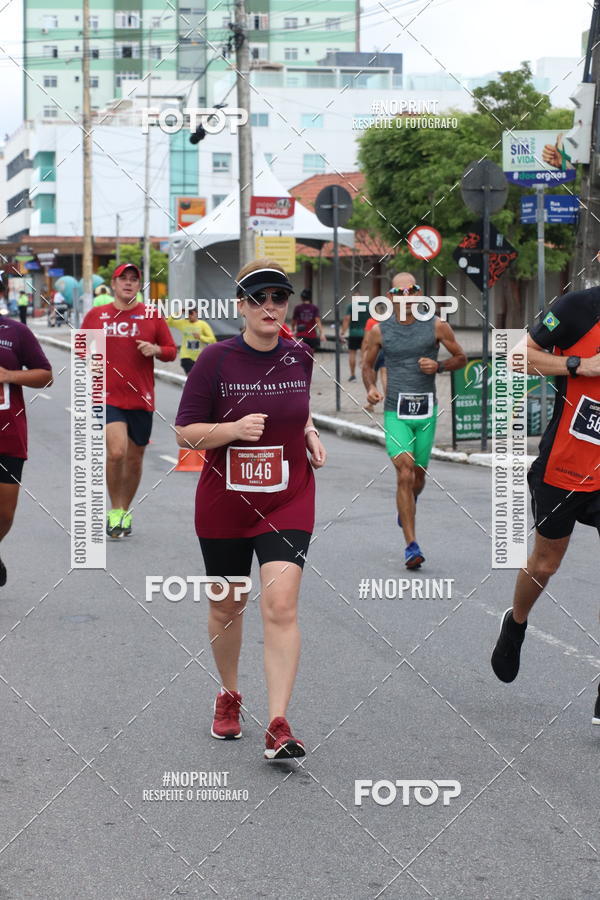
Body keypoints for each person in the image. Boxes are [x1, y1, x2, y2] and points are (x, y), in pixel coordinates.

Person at [175, 258, 327, 760]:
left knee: (281, 605)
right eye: (258, 298)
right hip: (226, 501)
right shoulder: (215, 360)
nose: (269, 306)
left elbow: (300, 408)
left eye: (278, 298)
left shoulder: (299, 355)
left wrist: (309, 431)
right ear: (241, 306)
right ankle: (229, 693)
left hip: (288, 496)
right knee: (227, 604)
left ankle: (278, 723)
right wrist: (233, 431)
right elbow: (185, 433)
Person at [490, 287, 600, 725]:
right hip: (565, 467)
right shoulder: (577, 308)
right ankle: (516, 622)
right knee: (545, 564)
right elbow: (518, 357)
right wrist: (579, 365)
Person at [362, 272, 466, 568]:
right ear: (390, 297)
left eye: (412, 290)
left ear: (420, 295)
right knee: (404, 473)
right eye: (400, 292)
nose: (406, 297)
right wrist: (370, 388)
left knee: (418, 478)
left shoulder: (437, 326)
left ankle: (407, 502)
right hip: (396, 411)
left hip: (426, 412)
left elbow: (461, 358)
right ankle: (411, 545)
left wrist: (439, 366)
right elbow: (368, 366)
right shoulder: (379, 331)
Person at [80, 263, 177, 538]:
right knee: (116, 452)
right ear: (114, 284)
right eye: (123, 278)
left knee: (135, 460)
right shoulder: (97, 315)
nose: (129, 283)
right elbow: (81, 346)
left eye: (134, 279)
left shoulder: (151, 315)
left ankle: (124, 510)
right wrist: (90, 360)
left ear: (138, 286)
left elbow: (171, 351)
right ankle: (114, 509)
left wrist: (155, 349)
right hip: (106, 396)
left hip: (141, 397)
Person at [0, 318, 53, 585]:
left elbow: (46, 376)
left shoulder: (16, 332)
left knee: (4, 513)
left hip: (8, 436)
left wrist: (9, 375)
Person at [166, 303, 217, 376]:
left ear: (196, 313)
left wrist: (200, 337)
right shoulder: (183, 322)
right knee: (191, 375)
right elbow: (167, 322)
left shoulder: (203, 325)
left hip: (199, 357)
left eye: (191, 313)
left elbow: (212, 340)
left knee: (198, 377)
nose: (189, 315)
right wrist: (178, 312)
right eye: (188, 313)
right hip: (186, 356)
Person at [341, 296, 370, 381]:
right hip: (365, 333)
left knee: (352, 353)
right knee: (365, 354)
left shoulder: (351, 306)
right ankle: (366, 374)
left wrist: (343, 331)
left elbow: (347, 319)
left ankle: (353, 375)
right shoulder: (368, 306)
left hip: (353, 333)